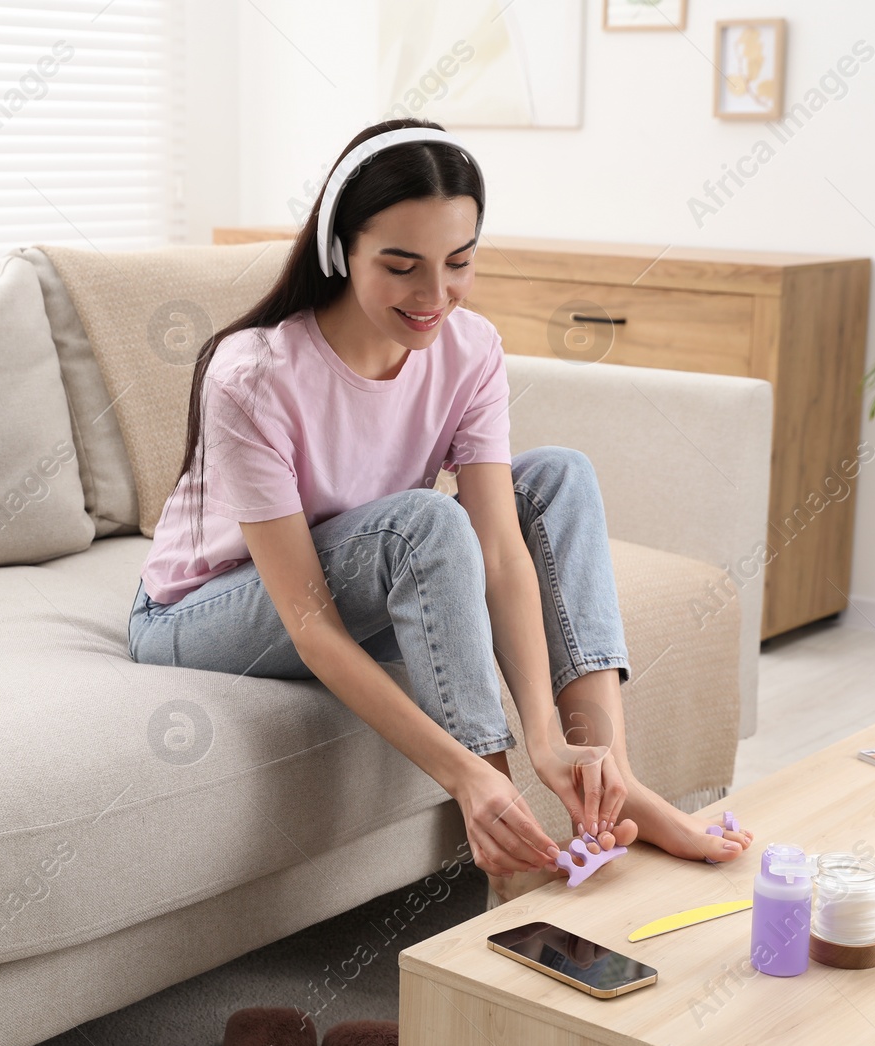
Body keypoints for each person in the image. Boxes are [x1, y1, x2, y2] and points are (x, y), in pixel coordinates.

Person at [128, 118, 754, 898]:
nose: (434, 296)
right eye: (401, 267)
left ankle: (610, 782)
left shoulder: (470, 347)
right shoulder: (254, 373)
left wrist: (549, 736)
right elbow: (310, 620)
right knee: (423, 520)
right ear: (338, 251)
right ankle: (504, 831)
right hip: (201, 610)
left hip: (357, 566)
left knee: (560, 475)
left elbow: (499, 546)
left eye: (458, 263)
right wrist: (468, 775)